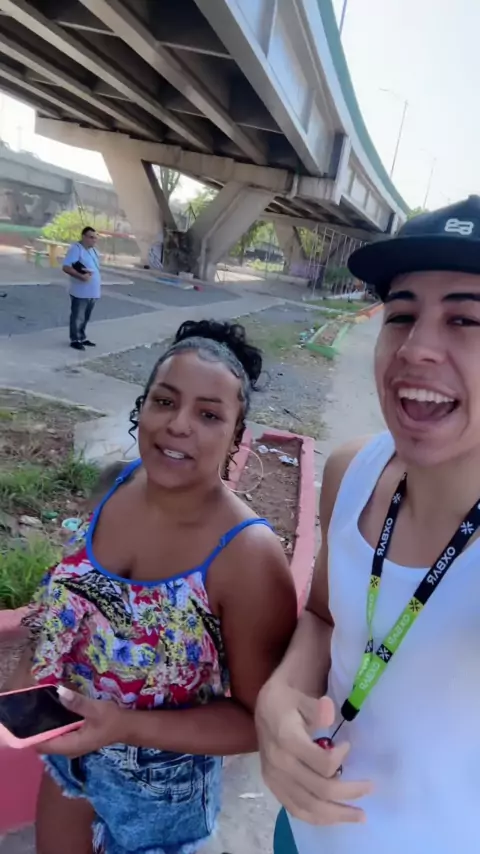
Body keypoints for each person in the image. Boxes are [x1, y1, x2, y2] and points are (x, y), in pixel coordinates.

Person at [8, 319, 297, 854]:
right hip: (71, 761)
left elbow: (259, 723)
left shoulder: (246, 556)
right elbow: (69, 601)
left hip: (160, 799)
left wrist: (121, 726)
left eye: (208, 414)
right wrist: (30, 671)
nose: (178, 425)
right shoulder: (112, 483)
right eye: (164, 401)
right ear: (142, 408)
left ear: (236, 434)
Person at [255, 195, 480, 854]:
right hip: (302, 833)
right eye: (401, 314)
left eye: (466, 319)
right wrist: (280, 693)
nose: (416, 348)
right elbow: (324, 616)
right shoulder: (353, 471)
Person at [62, 226, 101, 351]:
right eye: (91, 237)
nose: (94, 240)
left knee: (86, 316)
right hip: (80, 291)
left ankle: (82, 337)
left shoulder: (93, 251)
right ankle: (75, 339)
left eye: (95, 238)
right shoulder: (76, 249)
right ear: (83, 237)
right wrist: (81, 276)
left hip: (92, 291)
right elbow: (66, 267)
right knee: (78, 316)